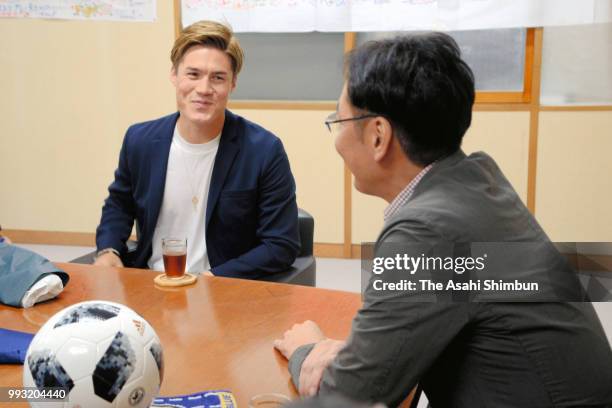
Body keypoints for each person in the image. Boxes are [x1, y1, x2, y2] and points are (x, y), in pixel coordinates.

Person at [274, 33, 612, 407]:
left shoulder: (427, 231)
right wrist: (349, 354)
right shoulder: (478, 178)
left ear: (378, 136)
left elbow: (351, 396)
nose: (337, 140)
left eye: (339, 121)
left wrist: (307, 351)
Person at [95, 21, 299, 278]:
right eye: (193, 74)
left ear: (233, 83)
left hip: (221, 288)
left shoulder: (264, 150)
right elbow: (119, 205)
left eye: (218, 78)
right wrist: (109, 250)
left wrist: (214, 278)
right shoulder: (140, 141)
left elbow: (281, 245)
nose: (204, 89)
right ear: (174, 75)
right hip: (151, 282)